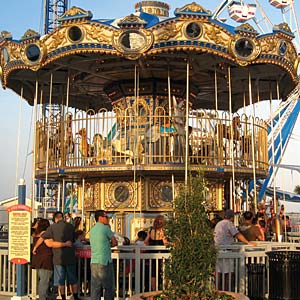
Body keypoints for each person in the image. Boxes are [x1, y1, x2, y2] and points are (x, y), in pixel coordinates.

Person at [42, 211, 80, 300]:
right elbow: (74, 239)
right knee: (73, 279)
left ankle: (63, 297)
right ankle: (75, 296)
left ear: (55, 219)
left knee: (60, 280)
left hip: (58, 258)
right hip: (70, 257)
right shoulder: (70, 226)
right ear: (62, 217)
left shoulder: (52, 227)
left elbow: (46, 240)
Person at [214, 209, 255, 291]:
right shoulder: (229, 224)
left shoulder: (219, 224)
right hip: (227, 251)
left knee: (219, 273)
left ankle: (217, 291)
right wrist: (247, 243)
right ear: (231, 217)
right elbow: (237, 234)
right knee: (228, 274)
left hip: (218, 251)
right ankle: (227, 291)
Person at [32, 218, 72, 300]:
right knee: (44, 281)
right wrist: (65, 244)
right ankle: (43, 297)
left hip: (38, 260)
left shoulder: (36, 234)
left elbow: (40, 240)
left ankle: (45, 296)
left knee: (43, 280)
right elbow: (50, 244)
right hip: (46, 260)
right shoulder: (45, 234)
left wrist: (35, 247)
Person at [89, 210, 118, 300]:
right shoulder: (105, 228)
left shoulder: (92, 230)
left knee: (95, 288)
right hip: (105, 261)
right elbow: (114, 242)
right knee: (109, 287)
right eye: (106, 217)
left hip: (94, 261)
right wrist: (108, 244)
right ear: (100, 218)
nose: (108, 219)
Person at [145, 215, 168, 291]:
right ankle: (164, 289)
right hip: (161, 253)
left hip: (152, 253)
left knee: (153, 273)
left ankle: (154, 289)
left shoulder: (151, 230)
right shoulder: (162, 230)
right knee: (164, 271)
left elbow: (146, 241)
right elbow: (165, 242)